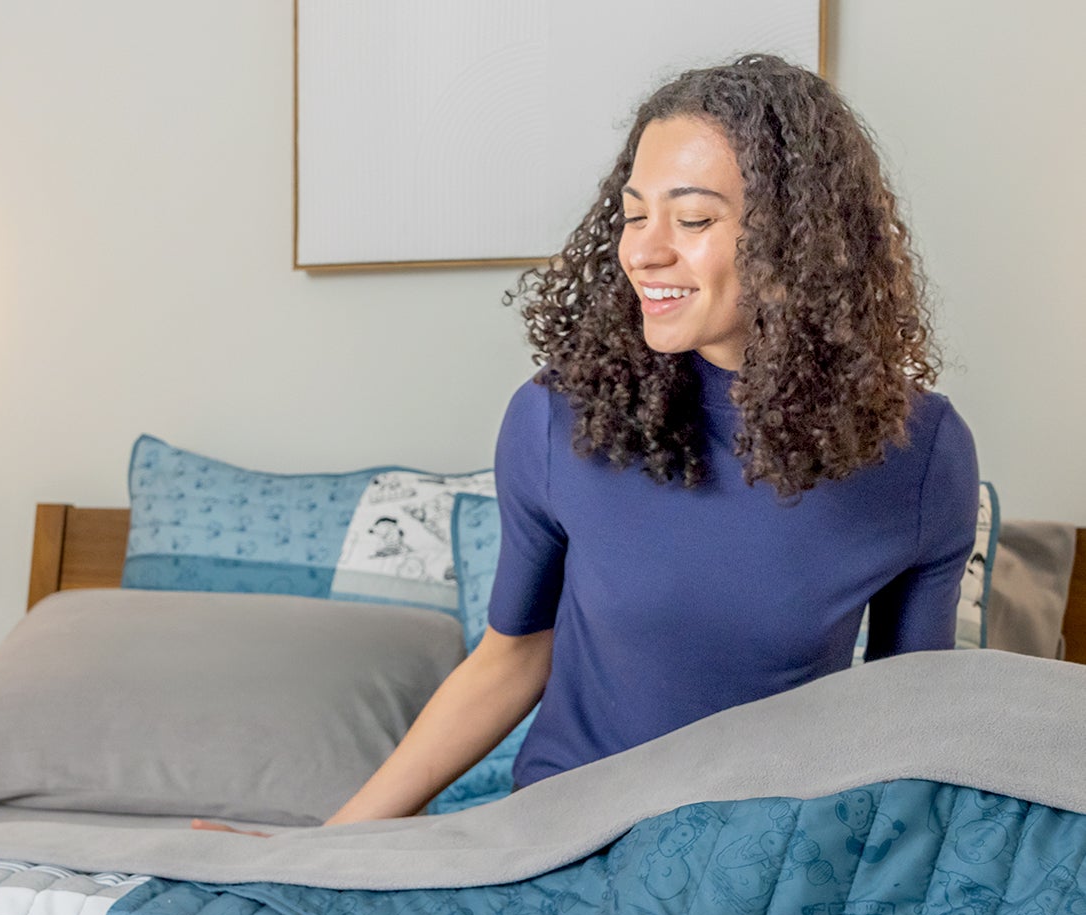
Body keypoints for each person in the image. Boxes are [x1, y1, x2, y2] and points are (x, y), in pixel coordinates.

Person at [195, 53, 977, 837]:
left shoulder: (918, 453)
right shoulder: (558, 419)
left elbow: (908, 724)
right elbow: (512, 657)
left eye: (694, 219)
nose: (642, 250)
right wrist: (331, 846)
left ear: (799, 242)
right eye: (635, 215)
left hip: (763, 862)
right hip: (563, 847)